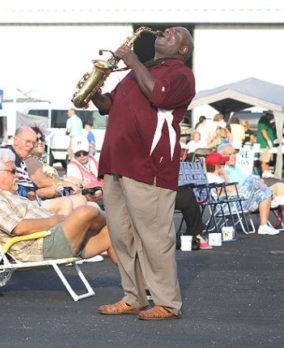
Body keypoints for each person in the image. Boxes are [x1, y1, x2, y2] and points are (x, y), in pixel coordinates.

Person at [90, 26, 195, 320]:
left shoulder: (180, 75)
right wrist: (95, 93)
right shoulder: (139, 71)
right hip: (115, 163)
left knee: (154, 238)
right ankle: (133, 297)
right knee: (122, 237)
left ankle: (167, 303)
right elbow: (109, 106)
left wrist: (133, 61)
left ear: (182, 50)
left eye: (173, 34)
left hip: (149, 167)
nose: (163, 33)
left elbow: (160, 97)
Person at [0, 148, 117, 264]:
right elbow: (19, 228)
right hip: (39, 246)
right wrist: (59, 220)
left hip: (54, 240)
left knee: (112, 235)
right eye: (12, 171)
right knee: (86, 211)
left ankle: (133, 292)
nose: (17, 174)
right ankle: (122, 224)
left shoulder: (11, 195)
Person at [12, 126, 87, 216]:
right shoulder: (22, 159)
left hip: (38, 200)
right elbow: (41, 182)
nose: (36, 143)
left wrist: (68, 180)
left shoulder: (26, 159)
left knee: (91, 206)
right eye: (29, 141)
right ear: (15, 140)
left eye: (41, 139)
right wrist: (68, 183)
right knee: (76, 202)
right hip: (31, 204)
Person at [205, 151, 279, 235]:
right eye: (223, 163)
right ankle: (274, 198)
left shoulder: (219, 176)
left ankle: (263, 226)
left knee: (265, 191)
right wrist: (225, 175)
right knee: (252, 178)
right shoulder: (210, 178)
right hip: (227, 206)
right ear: (217, 165)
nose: (224, 164)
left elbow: (232, 188)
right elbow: (225, 190)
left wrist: (236, 187)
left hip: (236, 201)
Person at [218, 143, 284, 208]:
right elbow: (230, 189)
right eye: (230, 154)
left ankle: (274, 198)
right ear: (222, 156)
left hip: (253, 193)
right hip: (242, 199)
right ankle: (272, 197)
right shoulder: (222, 170)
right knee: (277, 194)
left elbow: (249, 179)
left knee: (280, 187)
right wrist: (253, 186)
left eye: (234, 153)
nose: (233, 156)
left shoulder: (236, 168)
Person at [66, 137, 103, 202]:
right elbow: (75, 189)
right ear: (74, 155)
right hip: (88, 200)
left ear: (88, 152)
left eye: (85, 153)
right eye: (78, 154)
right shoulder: (72, 166)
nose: (82, 156)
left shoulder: (93, 159)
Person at [257, 110, 276, 178]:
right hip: (264, 143)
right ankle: (264, 172)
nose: (272, 117)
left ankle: (267, 171)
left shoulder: (268, 121)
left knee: (267, 159)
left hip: (268, 144)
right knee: (264, 159)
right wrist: (268, 141)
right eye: (272, 116)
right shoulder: (263, 120)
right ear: (269, 115)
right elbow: (263, 131)